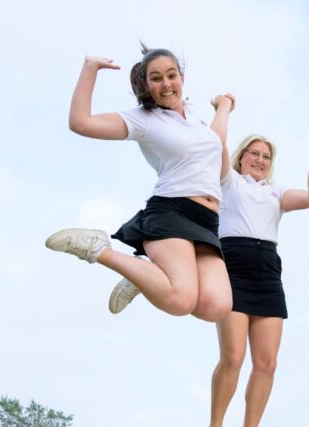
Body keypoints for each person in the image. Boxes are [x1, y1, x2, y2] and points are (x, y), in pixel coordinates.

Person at [45, 46, 236, 322]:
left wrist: (225, 107)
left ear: (182, 77)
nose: (166, 84)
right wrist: (90, 69)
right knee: (181, 301)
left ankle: (145, 277)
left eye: (172, 75)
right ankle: (97, 248)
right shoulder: (144, 120)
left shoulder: (195, 117)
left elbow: (217, 144)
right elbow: (80, 123)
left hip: (207, 220)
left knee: (215, 306)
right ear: (146, 85)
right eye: (156, 78)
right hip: (173, 211)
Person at [193, 128, 309, 427]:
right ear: (241, 157)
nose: (259, 159)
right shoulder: (228, 182)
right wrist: (224, 109)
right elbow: (215, 144)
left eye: (266, 156)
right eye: (253, 153)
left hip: (268, 270)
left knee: (267, 362)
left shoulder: (276, 192)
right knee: (233, 357)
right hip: (233, 267)